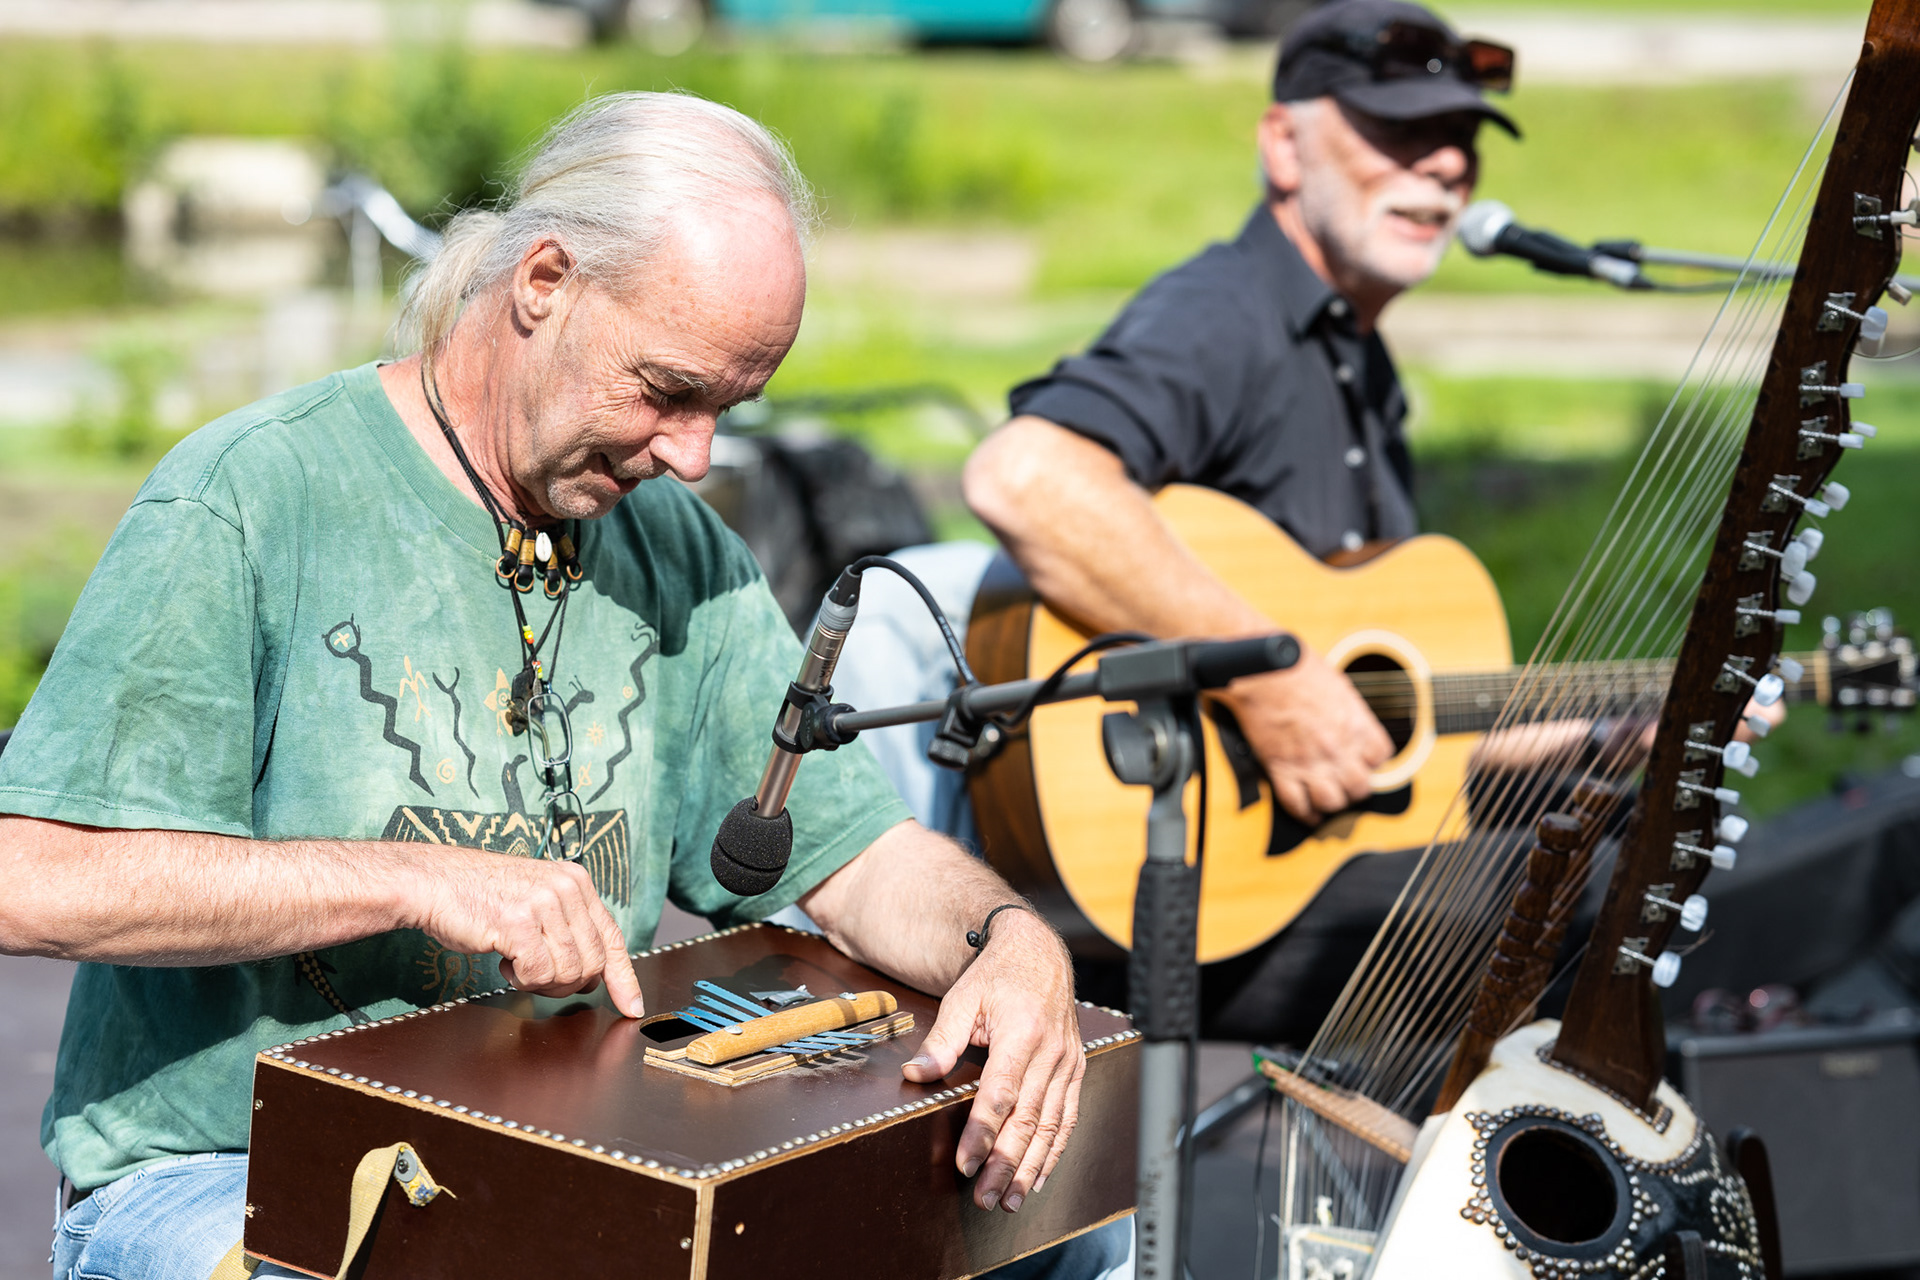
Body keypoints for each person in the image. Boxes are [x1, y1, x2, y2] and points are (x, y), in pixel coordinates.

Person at [0, 93, 1128, 1280]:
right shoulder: (250, 496)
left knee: (1076, 1249)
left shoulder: (677, 549)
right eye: (667, 390)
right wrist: (412, 879)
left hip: (563, 1164)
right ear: (544, 281)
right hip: (220, 1173)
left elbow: (856, 855)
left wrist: (1011, 945)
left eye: (727, 409)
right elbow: (33, 877)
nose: (694, 455)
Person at [837, 0, 1518, 1043]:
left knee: (1575, 862)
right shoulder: (1227, 315)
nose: (1439, 168)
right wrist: (1269, 678)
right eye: (1396, 132)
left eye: (1460, 142)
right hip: (1129, 886)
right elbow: (1027, 474)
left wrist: (1592, 735)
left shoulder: (1361, 367)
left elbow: (1379, 708)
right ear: (1283, 145)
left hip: (1259, 870)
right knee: (1563, 907)